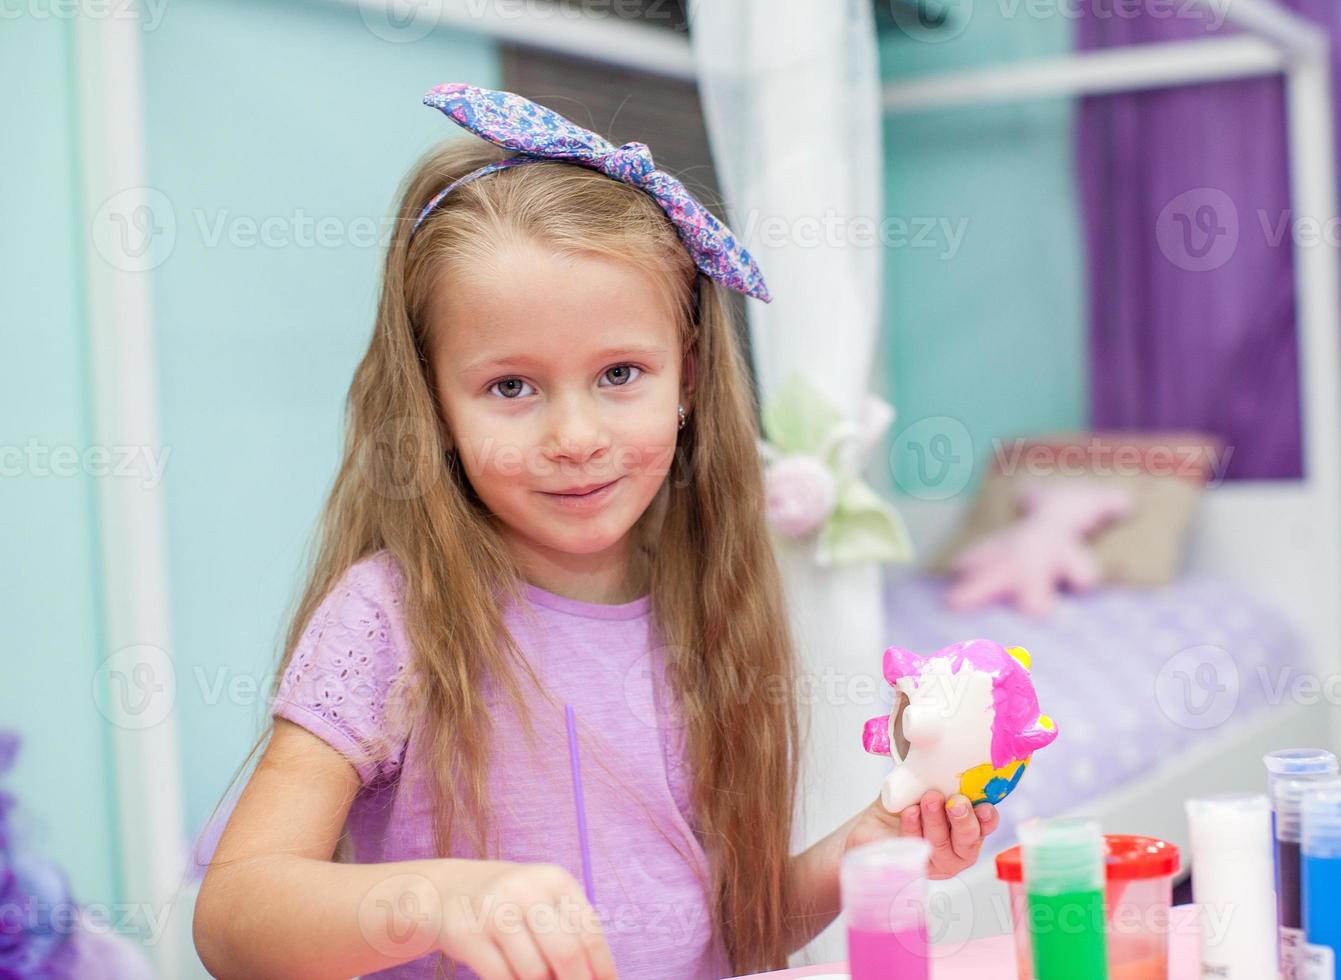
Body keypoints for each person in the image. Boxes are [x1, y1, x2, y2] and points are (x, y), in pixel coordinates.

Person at [193, 86, 996, 980]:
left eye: (620, 373)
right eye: (511, 387)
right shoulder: (394, 617)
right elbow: (233, 917)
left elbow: (726, 944)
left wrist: (875, 838)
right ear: (434, 402)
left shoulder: (707, 603)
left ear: (687, 377)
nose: (575, 439)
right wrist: (444, 901)